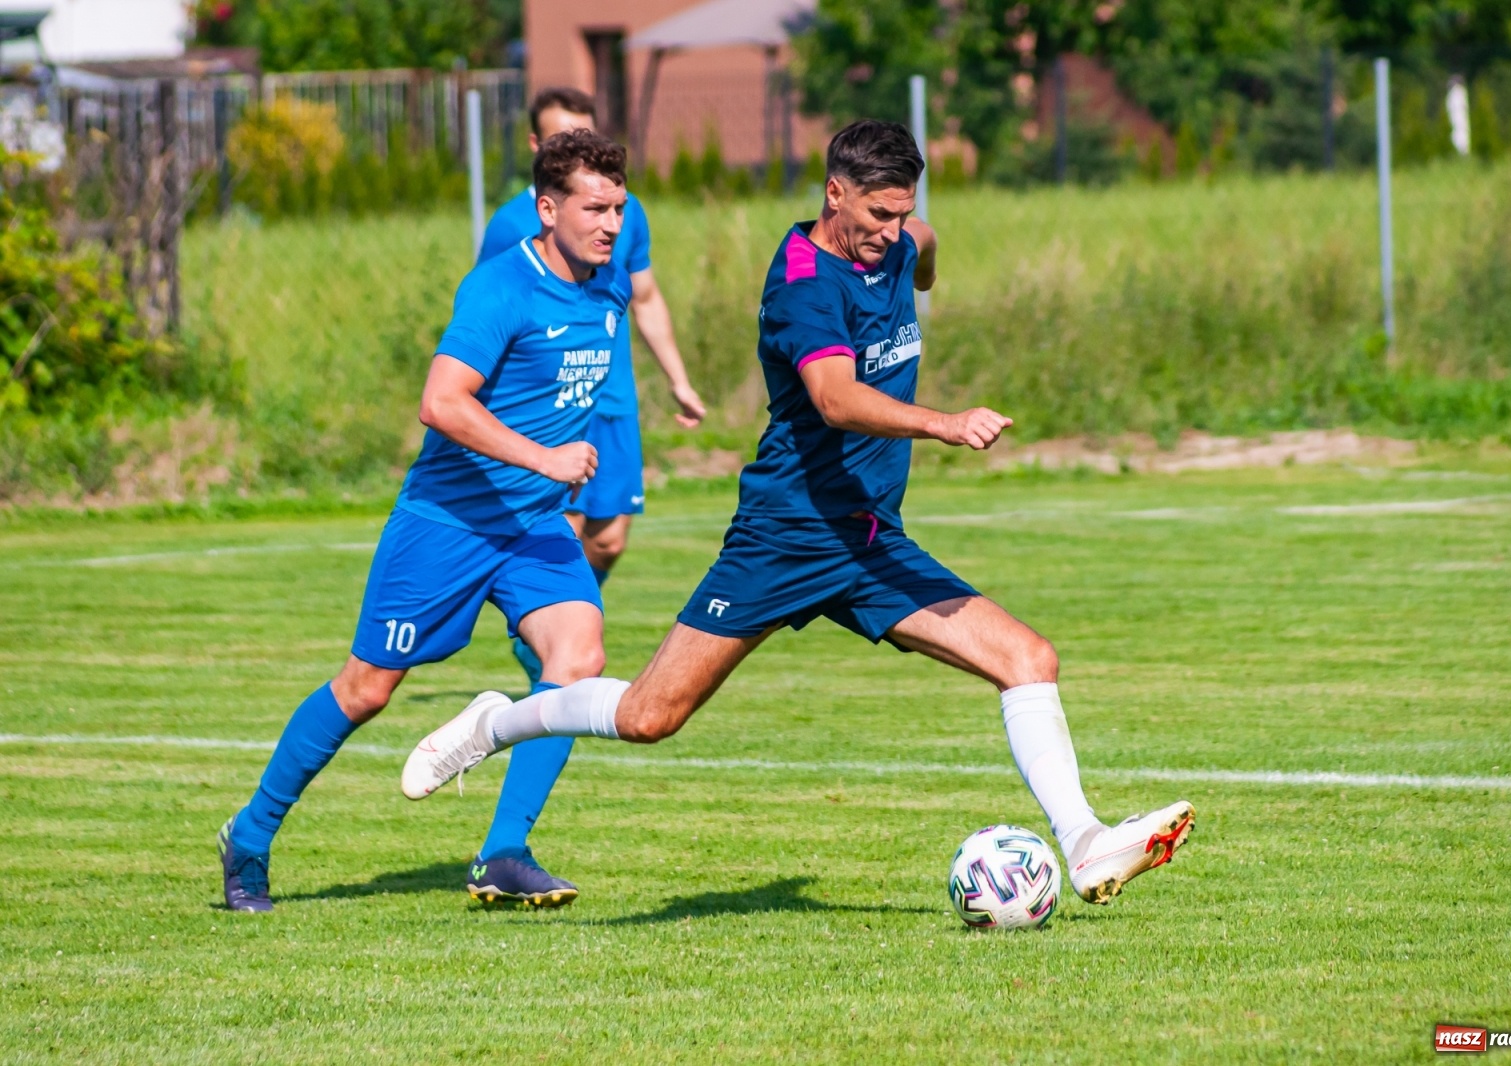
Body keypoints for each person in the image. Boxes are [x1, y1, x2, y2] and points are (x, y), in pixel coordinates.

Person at [403, 120, 1195, 906]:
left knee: (1028, 659)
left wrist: (919, 258)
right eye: (877, 215)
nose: (891, 232)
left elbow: (924, 243)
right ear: (834, 193)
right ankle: (497, 724)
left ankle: (1084, 842)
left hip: (867, 538)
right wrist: (945, 423)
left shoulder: (898, 242)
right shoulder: (803, 284)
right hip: (785, 536)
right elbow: (835, 398)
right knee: (650, 716)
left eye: (902, 213)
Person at [216, 130, 631, 912]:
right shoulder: (502, 287)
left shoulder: (607, 289)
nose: (611, 225)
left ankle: (503, 853)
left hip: (533, 527)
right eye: (593, 208)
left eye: (618, 208)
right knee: (368, 689)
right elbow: (441, 403)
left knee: (578, 658)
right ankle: (252, 833)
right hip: (448, 521)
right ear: (547, 210)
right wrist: (543, 459)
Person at [465, 88, 705, 906]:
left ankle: (551, 640)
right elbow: (491, 328)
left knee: (608, 538)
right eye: (560, 138)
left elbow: (643, 296)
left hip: (607, 402)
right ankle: (545, 637)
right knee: (370, 682)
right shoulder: (511, 229)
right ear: (538, 156)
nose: (606, 217)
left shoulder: (625, 216)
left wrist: (676, 378)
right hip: (534, 431)